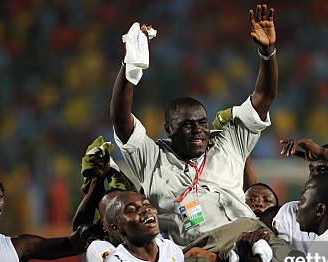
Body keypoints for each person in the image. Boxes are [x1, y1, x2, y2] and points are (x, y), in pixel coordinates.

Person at [110, 4, 278, 247]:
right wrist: (131, 66)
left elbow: (263, 98)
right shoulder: (152, 157)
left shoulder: (228, 142)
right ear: (168, 129)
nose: (198, 129)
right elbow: (120, 118)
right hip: (196, 253)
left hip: (244, 239)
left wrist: (268, 53)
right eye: (187, 125)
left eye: (202, 122)